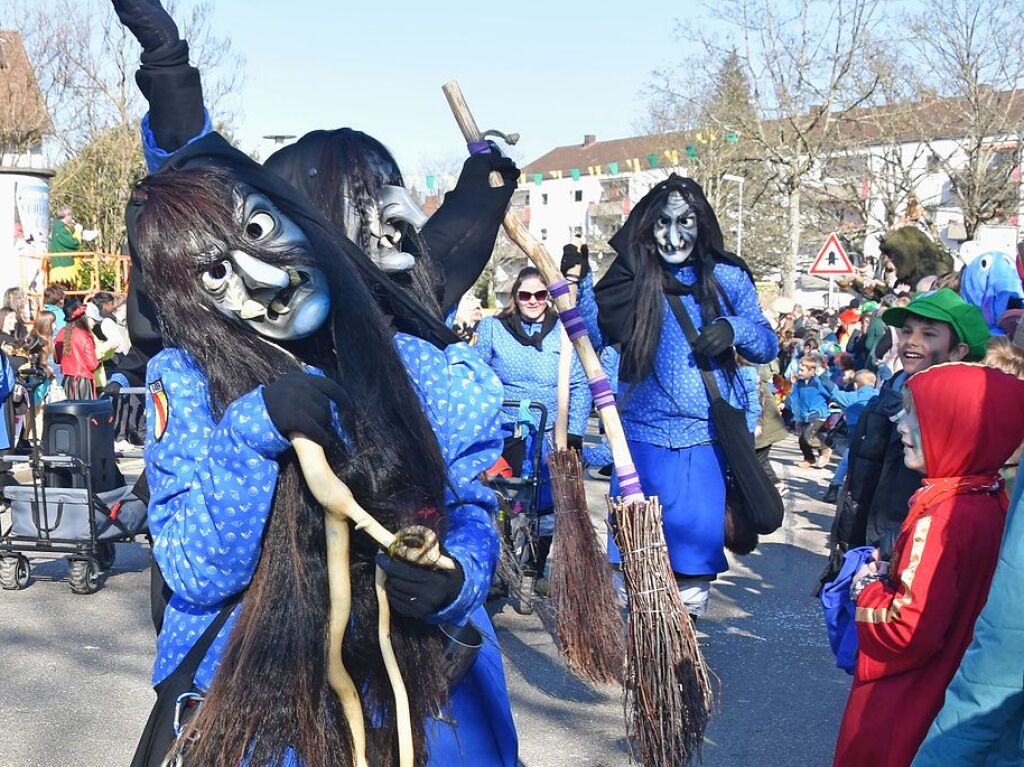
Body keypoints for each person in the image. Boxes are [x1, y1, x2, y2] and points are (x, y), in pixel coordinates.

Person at [114, 4, 516, 765]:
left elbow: (471, 507)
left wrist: (458, 574)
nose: (262, 287)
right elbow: (194, 569)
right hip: (261, 702)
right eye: (223, 271)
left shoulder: (417, 366)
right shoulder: (192, 381)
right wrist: (252, 433)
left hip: (420, 695)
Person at [589, 174, 777, 616]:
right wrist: (578, 282)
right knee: (636, 556)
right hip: (639, 442)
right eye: (663, 224)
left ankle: (681, 647)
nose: (674, 236)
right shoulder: (631, 279)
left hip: (704, 442)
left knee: (691, 564)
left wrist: (735, 329)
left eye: (686, 221)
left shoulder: (726, 278)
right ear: (648, 227)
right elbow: (589, 334)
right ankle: (640, 648)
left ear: (702, 224)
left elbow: (768, 342)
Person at [833, 363, 1024, 767]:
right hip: (946, 681)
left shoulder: (941, 516)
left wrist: (865, 587)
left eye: (915, 414)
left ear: (960, 427)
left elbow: (907, 627)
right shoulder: (989, 499)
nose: (899, 423)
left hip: (906, 696)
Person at [818, 289, 990, 591]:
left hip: (905, 554)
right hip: (864, 544)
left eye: (929, 334)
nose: (912, 340)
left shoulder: (959, 413)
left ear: (958, 351)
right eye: (908, 331)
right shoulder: (891, 390)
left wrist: (894, 547)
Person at [474, 266, 589, 582]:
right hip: (503, 428)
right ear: (515, 298)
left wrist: (575, 430)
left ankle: (533, 566)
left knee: (543, 503)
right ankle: (502, 559)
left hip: (548, 429)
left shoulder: (562, 334)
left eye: (540, 294)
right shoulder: (493, 329)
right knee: (502, 497)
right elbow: (476, 372)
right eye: (526, 295)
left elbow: (578, 384)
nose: (533, 301)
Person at [818, 369, 879, 504]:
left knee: (846, 461)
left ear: (856, 385)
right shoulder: (879, 396)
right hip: (876, 438)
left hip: (855, 438)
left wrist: (822, 374)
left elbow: (834, 392)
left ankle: (834, 488)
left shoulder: (852, 398)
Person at [790, 352, 833, 469]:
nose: (799, 373)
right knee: (802, 439)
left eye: (802, 370)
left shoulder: (818, 382)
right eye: (799, 370)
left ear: (811, 371)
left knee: (807, 436)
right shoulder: (799, 384)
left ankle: (824, 448)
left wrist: (833, 401)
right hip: (805, 414)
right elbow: (795, 400)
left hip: (818, 413)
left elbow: (830, 391)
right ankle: (809, 458)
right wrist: (797, 418)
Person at [53, 298, 98, 400]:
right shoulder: (85, 335)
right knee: (85, 414)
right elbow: (92, 365)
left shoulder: (60, 333)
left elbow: (57, 359)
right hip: (83, 383)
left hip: (67, 381)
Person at [48, 204, 82, 285]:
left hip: (61, 266)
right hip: (64, 267)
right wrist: (78, 232)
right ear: (67, 215)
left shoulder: (59, 227)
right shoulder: (60, 229)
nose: (72, 218)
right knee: (63, 291)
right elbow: (73, 244)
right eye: (71, 215)